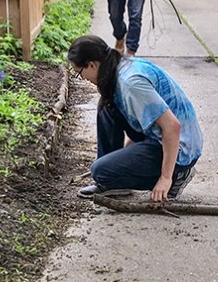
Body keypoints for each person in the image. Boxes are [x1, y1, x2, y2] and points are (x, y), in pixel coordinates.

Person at [68, 34, 202, 202]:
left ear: (91, 65)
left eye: (79, 73)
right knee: (107, 107)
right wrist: (124, 158)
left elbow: (172, 126)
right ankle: (114, 183)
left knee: (100, 171)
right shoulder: (119, 68)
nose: (83, 79)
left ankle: (178, 175)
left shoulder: (131, 83)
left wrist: (166, 177)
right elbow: (142, 118)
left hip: (180, 148)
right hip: (159, 137)